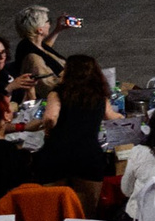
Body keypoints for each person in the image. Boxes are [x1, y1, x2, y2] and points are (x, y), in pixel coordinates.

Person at [29, 53, 115, 211]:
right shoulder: (99, 96)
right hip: (87, 156)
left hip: (56, 154)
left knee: (54, 209)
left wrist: (47, 130)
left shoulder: (57, 94)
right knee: (86, 210)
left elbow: (50, 118)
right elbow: (112, 117)